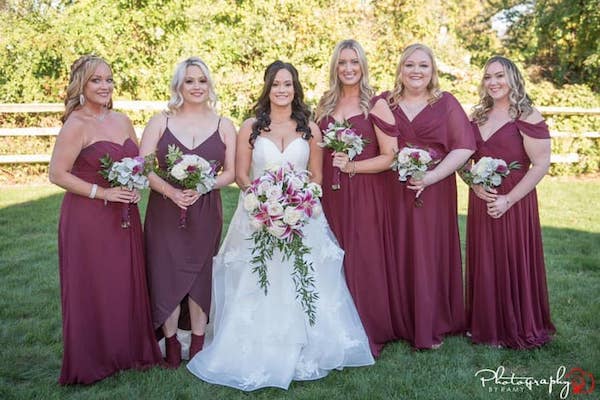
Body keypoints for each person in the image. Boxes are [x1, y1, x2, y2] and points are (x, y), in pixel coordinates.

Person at [187, 60, 374, 391]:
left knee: (304, 278)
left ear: (295, 88)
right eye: (276, 84)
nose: (282, 90)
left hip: (303, 216)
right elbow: (242, 175)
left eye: (288, 84)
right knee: (259, 279)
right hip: (258, 216)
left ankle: (306, 344)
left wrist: (298, 202)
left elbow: (316, 176)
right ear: (267, 88)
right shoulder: (251, 127)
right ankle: (256, 344)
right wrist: (263, 202)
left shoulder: (310, 129)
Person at [48, 55, 162, 384]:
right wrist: (103, 193)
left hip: (124, 216)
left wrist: (135, 183)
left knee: (122, 283)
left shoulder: (123, 120)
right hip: (88, 218)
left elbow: (137, 162)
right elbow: (57, 174)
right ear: (81, 85)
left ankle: (126, 352)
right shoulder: (76, 124)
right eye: (96, 80)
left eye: (109, 79)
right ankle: (93, 358)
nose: (104, 86)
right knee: (94, 286)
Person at [377, 43, 476, 349]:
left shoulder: (445, 103)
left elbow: (465, 146)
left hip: (435, 190)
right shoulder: (385, 102)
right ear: (400, 69)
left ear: (432, 71)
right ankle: (400, 320)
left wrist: (431, 177)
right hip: (393, 191)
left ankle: (432, 321)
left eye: (423, 65)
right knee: (398, 249)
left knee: (428, 252)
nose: (416, 71)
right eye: (409, 65)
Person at [139, 57, 236, 368]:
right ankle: (169, 344)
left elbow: (232, 172)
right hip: (165, 211)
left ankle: (196, 344)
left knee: (200, 276)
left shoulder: (224, 125)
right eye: (190, 80)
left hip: (205, 211)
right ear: (179, 85)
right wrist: (171, 192)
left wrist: (205, 185)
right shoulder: (160, 121)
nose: (196, 86)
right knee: (164, 273)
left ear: (210, 85)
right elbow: (144, 167)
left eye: (202, 80)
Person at [315, 39, 398, 357]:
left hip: (363, 191)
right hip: (330, 195)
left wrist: (353, 166)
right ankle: (334, 326)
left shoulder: (376, 104)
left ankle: (368, 326)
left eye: (354, 62)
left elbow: (390, 155)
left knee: (362, 256)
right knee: (332, 254)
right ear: (335, 67)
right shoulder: (324, 104)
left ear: (363, 66)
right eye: (342, 63)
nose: (348, 68)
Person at [466, 56, 555, 348]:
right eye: (488, 77)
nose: (493, 82)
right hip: (482, 199)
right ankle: (486, 325)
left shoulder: (527, 115)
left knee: (511, 256)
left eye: (499, 76)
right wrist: (474, 183)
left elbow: (541, 164)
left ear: (513, 78)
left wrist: (508, 200)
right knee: (486, 259)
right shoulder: (477, 116)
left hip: (514, 200)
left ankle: (514, 324)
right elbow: (462, 157)